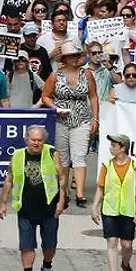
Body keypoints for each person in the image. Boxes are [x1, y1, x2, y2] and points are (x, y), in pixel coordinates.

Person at [0, 125, 66, 271]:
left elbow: (62, 177)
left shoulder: (51, 153)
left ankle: (47, 266)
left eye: (39, 140)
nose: (36, 143)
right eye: (33, 140)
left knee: (49, 244)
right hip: (25, 209)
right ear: (26, 139)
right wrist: (3, 203)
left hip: (49, 208)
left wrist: (61, 201)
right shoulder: (18, 155)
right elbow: (9, 179)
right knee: (26, 245)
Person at [40, 42, 98, 207]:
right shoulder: (55, 75)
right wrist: (55, 108)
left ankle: (80, 193)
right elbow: (46, 95)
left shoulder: (86, 74)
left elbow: (93, 97)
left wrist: (95, 118)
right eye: (71, 55)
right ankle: (63, 191)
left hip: (81, 119)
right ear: (64, 58)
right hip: (61, 120)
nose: (75, 58)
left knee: (79, 156)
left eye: (76, 55)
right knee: (63, 158)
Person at [91, 133, 136, 271]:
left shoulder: (135, 167)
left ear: (123, 148)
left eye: (114, 145)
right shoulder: (106, 166)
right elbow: (101, 188)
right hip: (110, 209)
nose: (111, 148)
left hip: (128, 211)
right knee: (112, 242)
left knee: (127, 245)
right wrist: (94, 206)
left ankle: (125, 264)